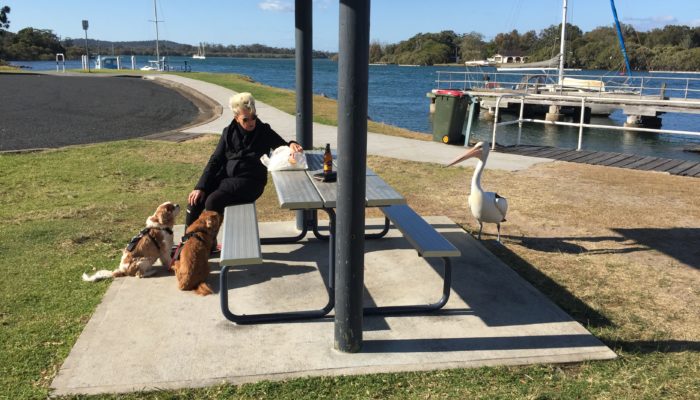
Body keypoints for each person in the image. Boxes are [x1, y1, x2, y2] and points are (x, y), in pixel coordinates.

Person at [186, 92, 303, 228]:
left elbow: (282, 146)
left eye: (253, 117)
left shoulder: (263, 131)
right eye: (245, 119)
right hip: (227, 178)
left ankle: (207, 244)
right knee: (195, 200)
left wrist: (292, 144)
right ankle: (186, 240)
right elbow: (215, 160)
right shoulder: (228, 133)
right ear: (236, 118)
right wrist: (201, 187)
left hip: (251, 181)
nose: (251, 122)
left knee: (212, 201)